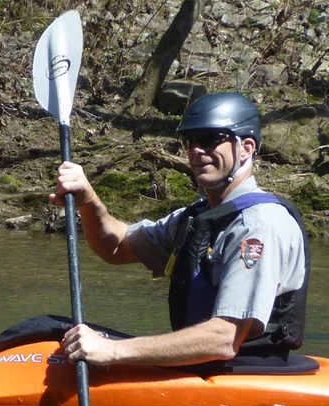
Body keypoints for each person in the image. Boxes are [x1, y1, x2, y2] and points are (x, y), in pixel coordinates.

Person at [54, 91, 310, 369]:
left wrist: (112, 350)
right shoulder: (197, 218)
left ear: (246, 148)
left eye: (211, 140)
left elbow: (224, 340)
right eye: (191, 141)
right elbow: (116, 247)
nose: (197, 151)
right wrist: (89, 201)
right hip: (203, 368)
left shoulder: (259, 225)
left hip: (247, 372)